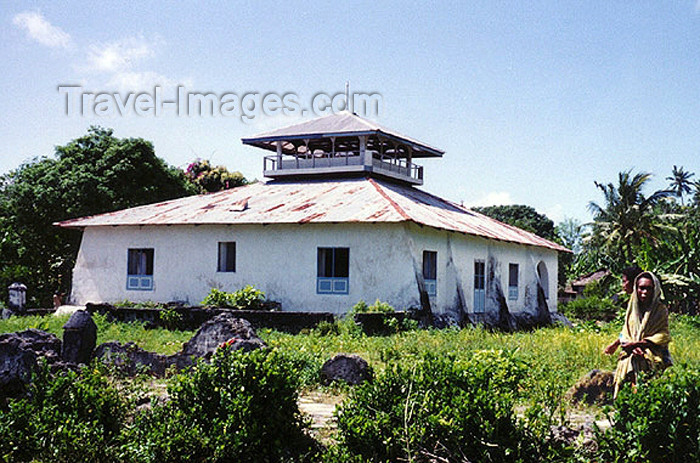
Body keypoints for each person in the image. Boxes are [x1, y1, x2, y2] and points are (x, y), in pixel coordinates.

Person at [603, 271, 671, 397]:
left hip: (652, 352)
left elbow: (663, 334)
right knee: (628, 367)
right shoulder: (632, 307)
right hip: (631, 351)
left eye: (648, 288)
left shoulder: (660, 310)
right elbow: (627, 329)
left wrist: (638, 344)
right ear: (636, 288)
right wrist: (621, 344)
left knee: (646, 375)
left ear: (655, 289)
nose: (644, 292)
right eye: (641, 288)